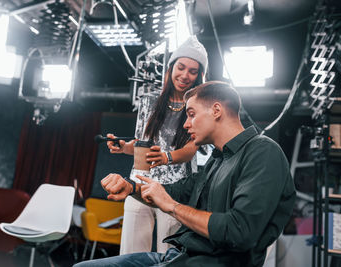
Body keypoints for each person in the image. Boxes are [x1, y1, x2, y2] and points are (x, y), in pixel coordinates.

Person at [75, 81, 296, 267]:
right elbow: (176, 191)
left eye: (191, 114)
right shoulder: (218, 159)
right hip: (179, 257)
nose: (187, 125)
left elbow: (239, 232)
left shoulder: (262, 152)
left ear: (216, 110)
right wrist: (131, 188)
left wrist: (172, 207)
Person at [106, 36, 209, 254]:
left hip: (174, 193)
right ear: (171, 68)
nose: (185, 75)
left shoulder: (200, 106)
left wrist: (167, 157)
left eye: (193, 71)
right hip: (138, 186)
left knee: (168, 256)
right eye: (181, 67)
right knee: (130, 255)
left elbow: (192, 149)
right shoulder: (149, 101)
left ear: (200, 75)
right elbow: (141, 143)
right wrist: (123, 146)